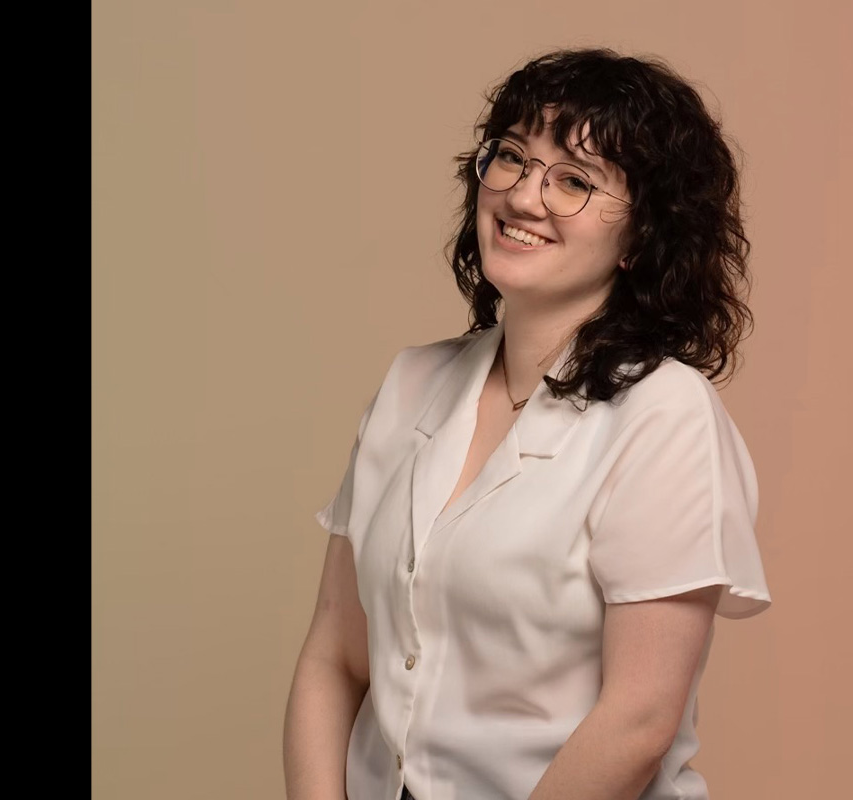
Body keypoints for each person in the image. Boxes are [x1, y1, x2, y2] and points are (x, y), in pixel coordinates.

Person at [284, 47, 772, 800]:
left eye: (575, 180)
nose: (523, 196)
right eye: (511, 157)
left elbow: (638, 721)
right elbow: (336, 655)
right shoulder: (410, 383)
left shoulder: (664, 416)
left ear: (644, 237)